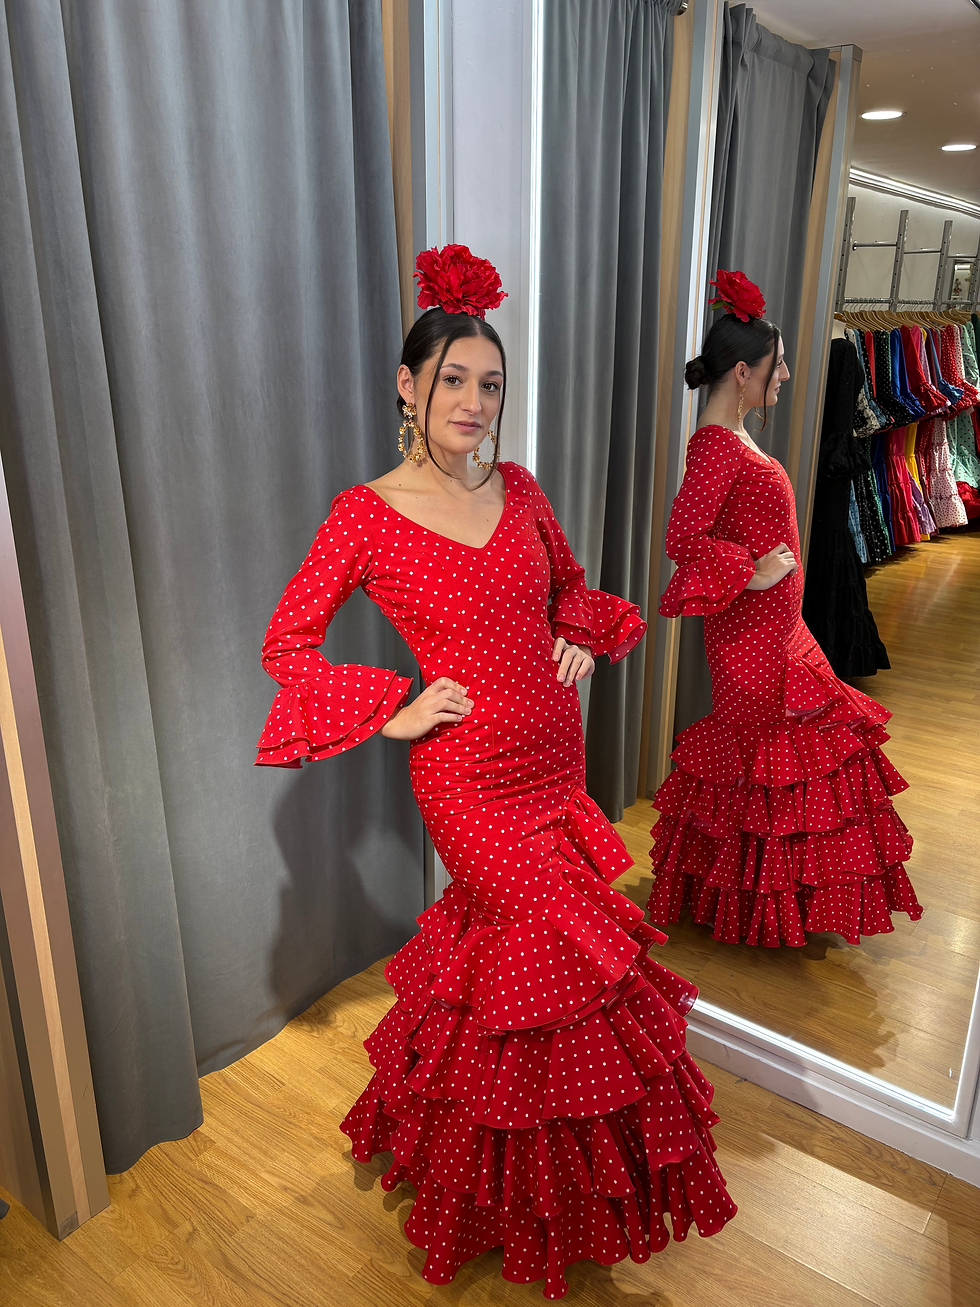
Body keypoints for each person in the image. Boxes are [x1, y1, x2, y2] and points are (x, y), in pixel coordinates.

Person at [256, 245, 736, 1299]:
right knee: (566, 962)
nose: (474, 401)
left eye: (490, 384)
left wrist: (580, 633)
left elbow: (569, 589)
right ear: (406, 383)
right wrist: (393, 708)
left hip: (552, 755)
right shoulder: (363, 513)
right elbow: (287, 645)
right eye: (454, 380)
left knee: (504, 977)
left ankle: (489, 1175)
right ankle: (544, 1192)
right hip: (466, 776)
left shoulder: (518, 487)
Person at [649, 270, 922, 948]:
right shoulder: (714, 445)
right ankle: (760, 904)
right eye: (776, 365)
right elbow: (680, 539)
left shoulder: (728, 436)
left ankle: (775, 898)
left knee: (784, 757)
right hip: (753, 636)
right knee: (770, 756)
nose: (788, 374)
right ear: (742, 371)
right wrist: (753, 570)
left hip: (774, 629)